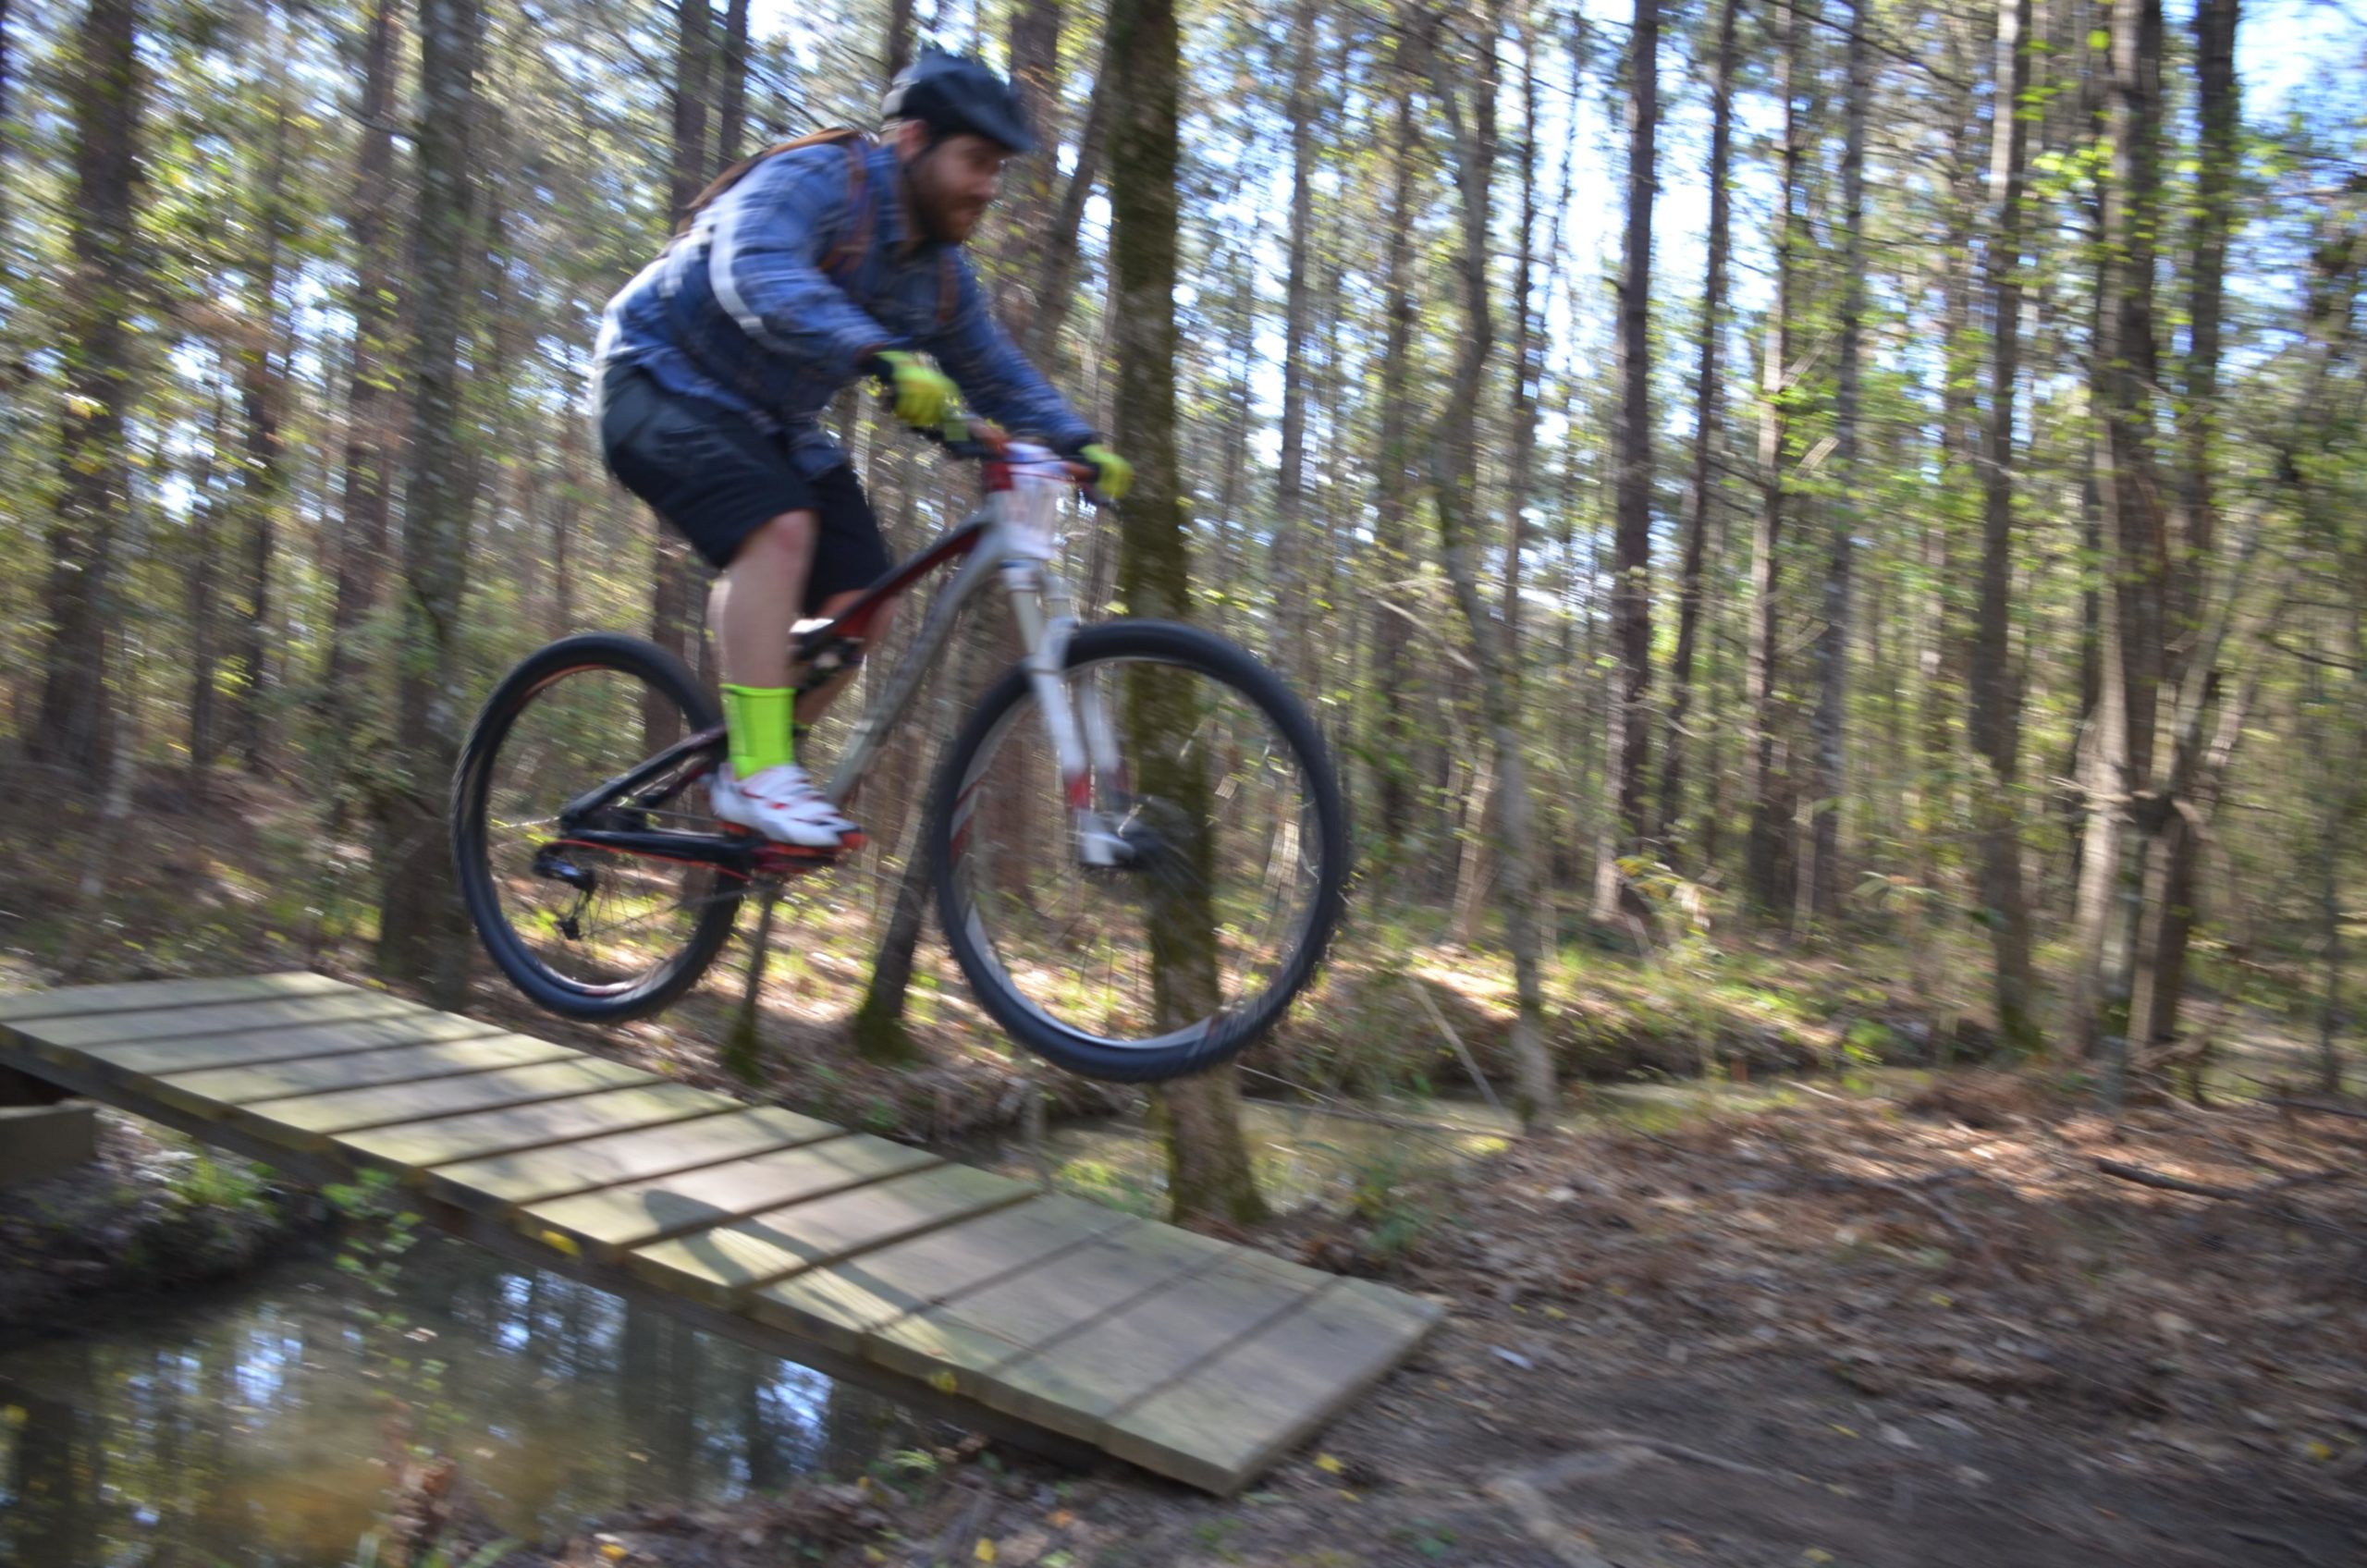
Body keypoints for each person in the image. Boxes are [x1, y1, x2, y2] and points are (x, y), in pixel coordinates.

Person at [592, 49, 1132, 848]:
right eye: (976, 161)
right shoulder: (816, 179)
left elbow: (996, 372)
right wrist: (879, 353)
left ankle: (754, 766)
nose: (988, 186)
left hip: (773, 423)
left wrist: (1077, 439)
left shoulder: (941, 276)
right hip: (655, 379)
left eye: (999, 169)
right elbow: (754, 269)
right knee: (778, 529)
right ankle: (758, 770)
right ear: (913, 141)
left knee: (861, 604)